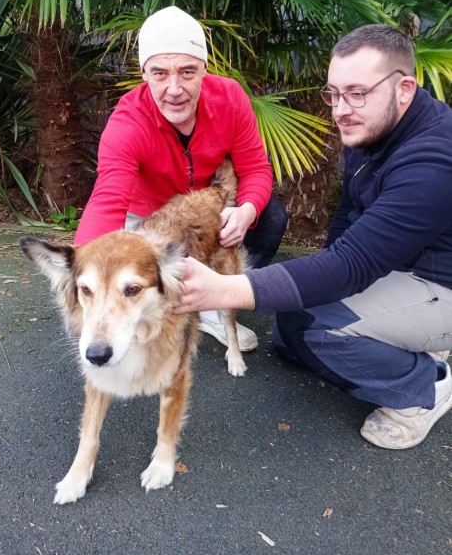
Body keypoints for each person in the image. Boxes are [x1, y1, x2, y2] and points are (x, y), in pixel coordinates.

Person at [175, 24, 452, 450]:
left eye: (357, 93)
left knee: (314, 332)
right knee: (292, 327)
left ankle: (424, 387)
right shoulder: (372, 125)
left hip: (439, 284)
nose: (341, 109)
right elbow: (348, 214)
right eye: (334, 93)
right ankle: (406, 347)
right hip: (399, 264)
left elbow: (352, 265)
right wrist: (321, 293)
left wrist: (224, 289)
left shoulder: (433, 162)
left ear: (404, 89)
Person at [75, 5, 287, 351]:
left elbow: (256, 169)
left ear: (204, 69)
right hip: (146, 217)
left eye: (187, 71)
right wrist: (84, 267)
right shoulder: (128, 122)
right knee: (126, 264)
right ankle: (153, 308)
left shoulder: (230, 98)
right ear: (144, 73)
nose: (174, 88)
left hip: (204, 206)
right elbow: (107, 199)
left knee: (272, 216)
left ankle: (217, 298)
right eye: (159, 73)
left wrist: (247, 211)